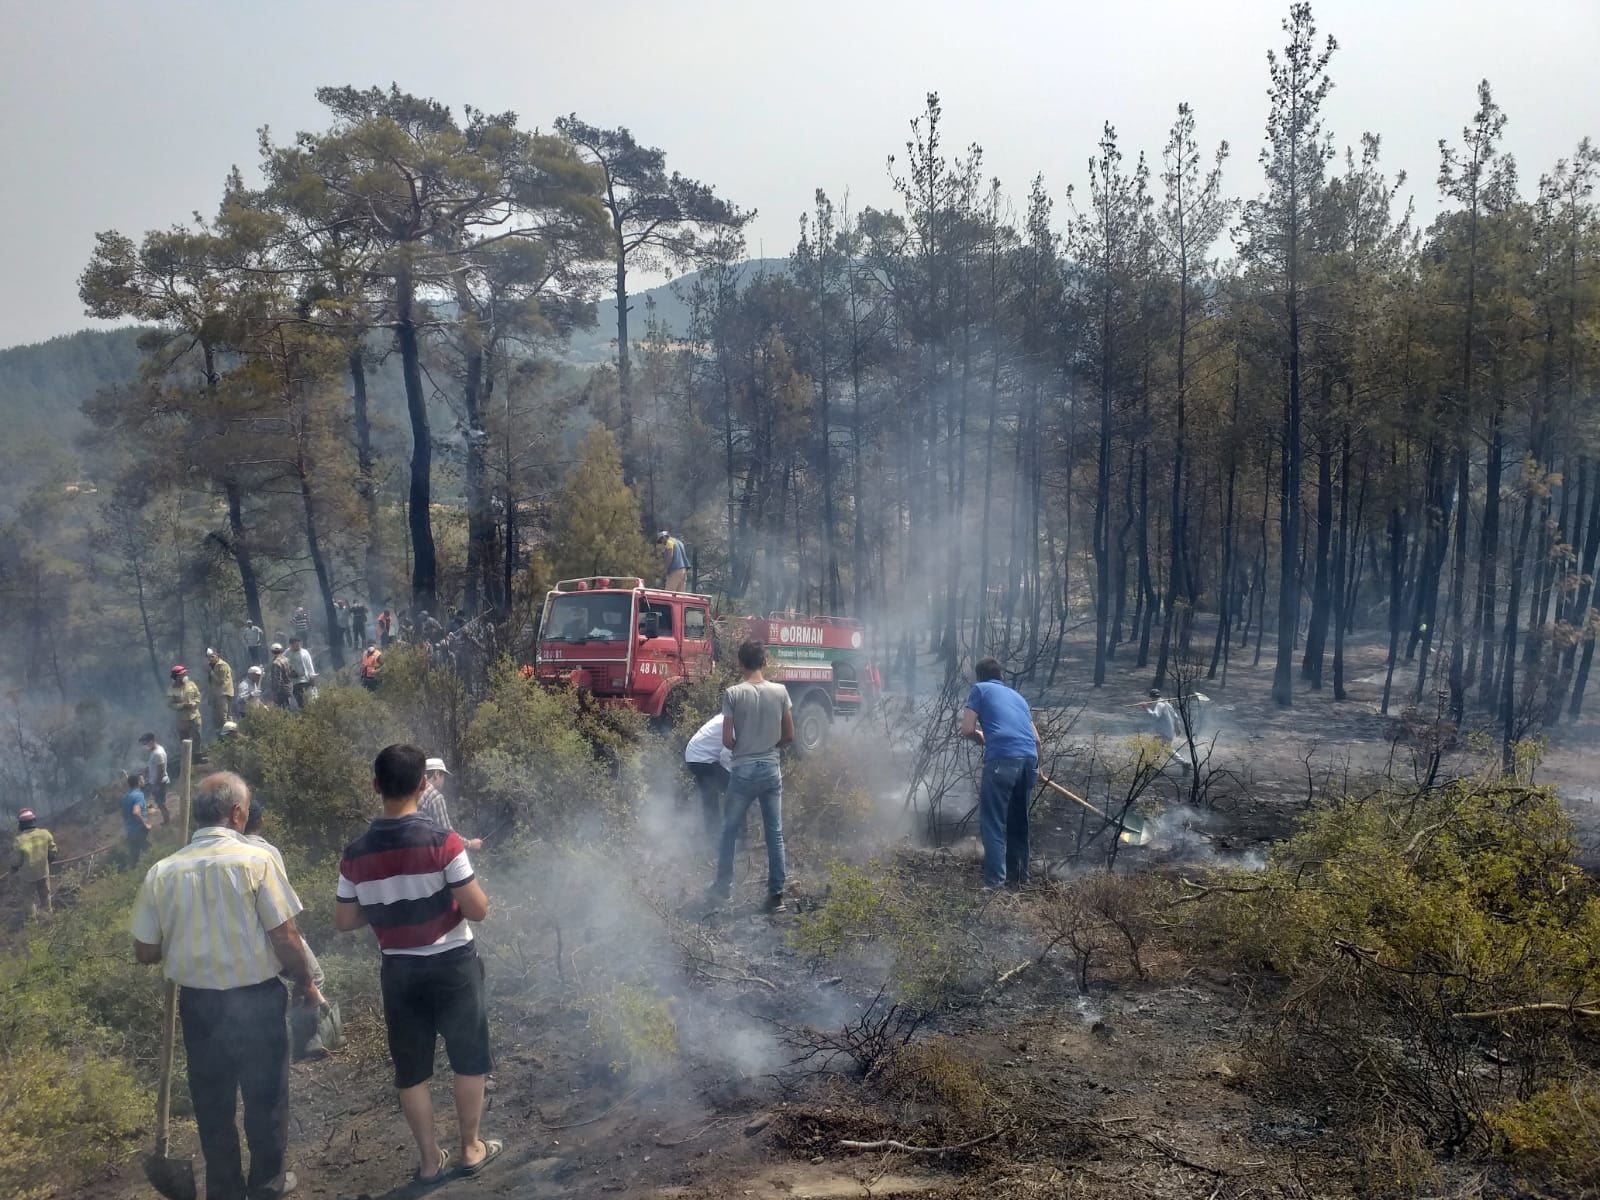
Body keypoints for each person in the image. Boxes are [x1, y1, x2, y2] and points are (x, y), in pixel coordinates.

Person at [132, 772, 319, 1200]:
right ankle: (267, 1187)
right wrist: (305, 980)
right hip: (255, 1000)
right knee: (265, 1097)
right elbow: (285, 936)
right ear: (237, 813)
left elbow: (145, 951)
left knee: (212, 1103)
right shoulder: (255, 862)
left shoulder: (162, 872)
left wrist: (184, 938)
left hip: (198, 1007)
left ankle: (225, 1189)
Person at [336, 744, 501, 1186]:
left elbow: (346, 918)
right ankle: (470, 1149)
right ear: (423, 784)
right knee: (469, 1059)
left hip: (399, 972)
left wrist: (390, 904)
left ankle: (429, 1162)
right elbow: (478, 909)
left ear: (375, 787)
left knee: (412, 1071)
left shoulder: (355, 853)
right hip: (453, 965)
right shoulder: (442, 842)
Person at [243, 801, 335, 1061]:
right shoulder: (266, 851)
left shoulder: (226, 851)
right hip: (274, 934)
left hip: (244, 940)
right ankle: (305, 1043)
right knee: (311, 976)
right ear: (260, 823)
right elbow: (279, 903)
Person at [709, 641, 793, 912]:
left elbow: (727, 739)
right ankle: (776, 896)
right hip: (771, 770)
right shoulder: (780, 692)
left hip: (743, 771)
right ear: (764, 661)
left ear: (740, 663)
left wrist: (744, 748)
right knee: (775, 833)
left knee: (729, 831)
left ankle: (722, 890)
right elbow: (789, 736)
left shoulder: (733, 693)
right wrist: (768, 748)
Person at [961, 657, 1042, 889]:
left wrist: (981, 738)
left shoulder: (979, 689)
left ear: (980, 677)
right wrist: (1039, 769)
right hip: (1029, 761)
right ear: (1002, 677)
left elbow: (966, 729)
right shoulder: (1019, 698)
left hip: (1002, 762)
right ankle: (1020, 881)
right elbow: (1036, 740)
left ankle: (995, 886)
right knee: (1019, 824)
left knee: (993, 823)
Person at [684, 712, 733, 844]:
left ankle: (713, 838)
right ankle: (737, 836)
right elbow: (726, 754)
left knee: (710, 798)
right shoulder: (736, 720)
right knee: (735, 791)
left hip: (693, 757)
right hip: (702, 760)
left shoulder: (728, 715)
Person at [419, 758, 484, 850]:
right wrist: (470, 844)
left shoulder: (413, 792)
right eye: (443, 776)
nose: (443, 780)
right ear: (436, 774)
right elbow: (447, 835)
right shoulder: (435, 797)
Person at [10, 808, 58, 916]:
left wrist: (13, 869)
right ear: (34, 821)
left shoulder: (19, 840)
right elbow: (53, 851)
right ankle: (48, 916)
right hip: (43, 872)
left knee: (28, 899)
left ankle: (32, 923)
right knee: (45, 895)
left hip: (27, 876)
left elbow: (16, 861)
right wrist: (49, 860)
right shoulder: (45, 834)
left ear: (21, 824)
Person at [1145, 689, 1190, 774]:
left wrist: (1146, 708)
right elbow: (1176, 717)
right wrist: (1177, 728)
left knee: (1153, 747)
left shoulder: (1160, 704)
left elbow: (1155, 716)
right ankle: (1184, 763)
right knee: (1167, 749)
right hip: (1169, 732)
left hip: (1163, 732)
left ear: (1152, 697)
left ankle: (1153, 767)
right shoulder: (1167, 704)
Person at [120, 771, 152, 870]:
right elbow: (135, 812)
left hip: (129, 832)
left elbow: (127, 812)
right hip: (139, 831)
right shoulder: (139, 795)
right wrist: (145, 825)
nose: (144, 780)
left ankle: (131, 876)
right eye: (142, 779)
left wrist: (145, 808)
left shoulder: (125, 797)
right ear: (138, 782)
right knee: (151, 852)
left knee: (134, 858)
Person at [140, 732, 172, 826]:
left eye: (145, 743)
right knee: (159, 803)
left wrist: (156, 786)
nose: (145, 746)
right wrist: (145, 772)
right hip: (156, 782)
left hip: (160, 783)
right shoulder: (155, 750)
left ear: (152, 741)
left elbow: (161, 770)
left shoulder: (158, 753)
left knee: (161, 804)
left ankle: (167, 823)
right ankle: (166, 822)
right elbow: (153, 766)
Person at [168, 665, 203, 749]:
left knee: (197, 737)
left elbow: (197, 696)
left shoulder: (191, 684)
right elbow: (170, 704)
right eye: (182, 675)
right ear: (176, 677)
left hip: (194, 716)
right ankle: (187, 759)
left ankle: (197, 755)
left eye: (185, 674)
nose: (185, 676)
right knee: (184, 740)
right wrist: (182, 705)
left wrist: (195, 703)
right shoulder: (171, 689)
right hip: (182, 720)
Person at [208, 649, 235, 733]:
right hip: (218, 694)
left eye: (213, 657)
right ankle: (224, 732)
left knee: (224, 714)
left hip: (224, 693)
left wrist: (212, 673)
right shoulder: (214, 666)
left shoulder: (222, 665)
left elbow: (221, 680)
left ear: (217, 656)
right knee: (219, 715)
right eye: (209, 657)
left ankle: (228, 732)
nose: (211, 659)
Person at [287, 637, 317, 709]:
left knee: (310, 699)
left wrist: (312, 677)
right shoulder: (286, 654)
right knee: (300, 701)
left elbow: (309, 665)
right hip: (295, 682)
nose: (298, 646)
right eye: (296, 645)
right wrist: (290, 672)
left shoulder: (304, 652)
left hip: (306, 680)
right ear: (291, 645)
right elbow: (285, 668)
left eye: (299, 644)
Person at [268, 643, 294, 709]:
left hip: (281, 691)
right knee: (288, 708)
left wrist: (275, 693)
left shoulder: (276, 663)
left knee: (281, 710)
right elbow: (291, 673)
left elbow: (277, 679)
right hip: (289, 688)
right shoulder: (287, 660)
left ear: (272, 651)